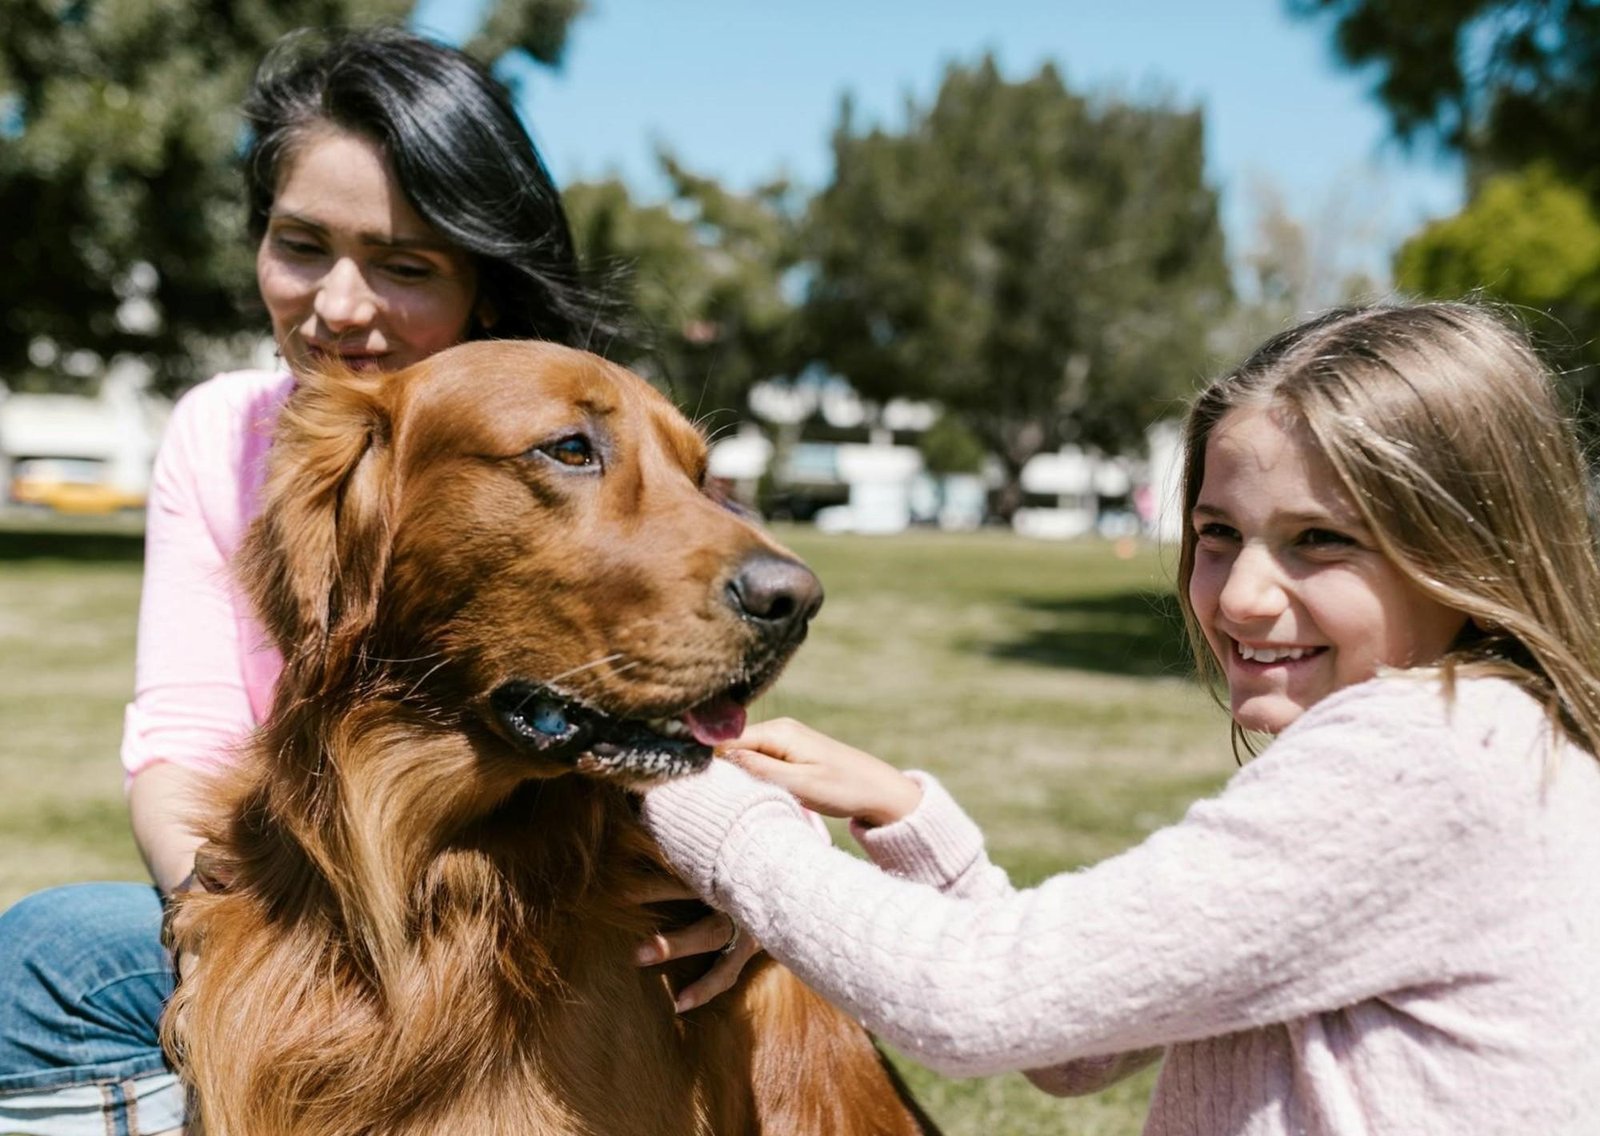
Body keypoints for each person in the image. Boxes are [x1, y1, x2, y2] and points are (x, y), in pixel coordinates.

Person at [0, 26, 749, 1136]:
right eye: (301, 246)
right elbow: (181, 741)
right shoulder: (225, 433)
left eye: (404, 265)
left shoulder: (600, 435)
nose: (339, 307)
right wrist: (237, 950)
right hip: (300, 884)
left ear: (483, 287)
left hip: (541, 905)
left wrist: (749, 884)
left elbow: (699, 705)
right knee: (50, 952)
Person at [639, 302, 1600, 1133]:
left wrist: (687, 787)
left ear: (1471, 552)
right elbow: (1075, 1052)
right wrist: (906, 818)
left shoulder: (1421, 757)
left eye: (1322, 541)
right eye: (1219, 535)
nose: (1244, 598)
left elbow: (974, 1002)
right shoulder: (1499, 741)